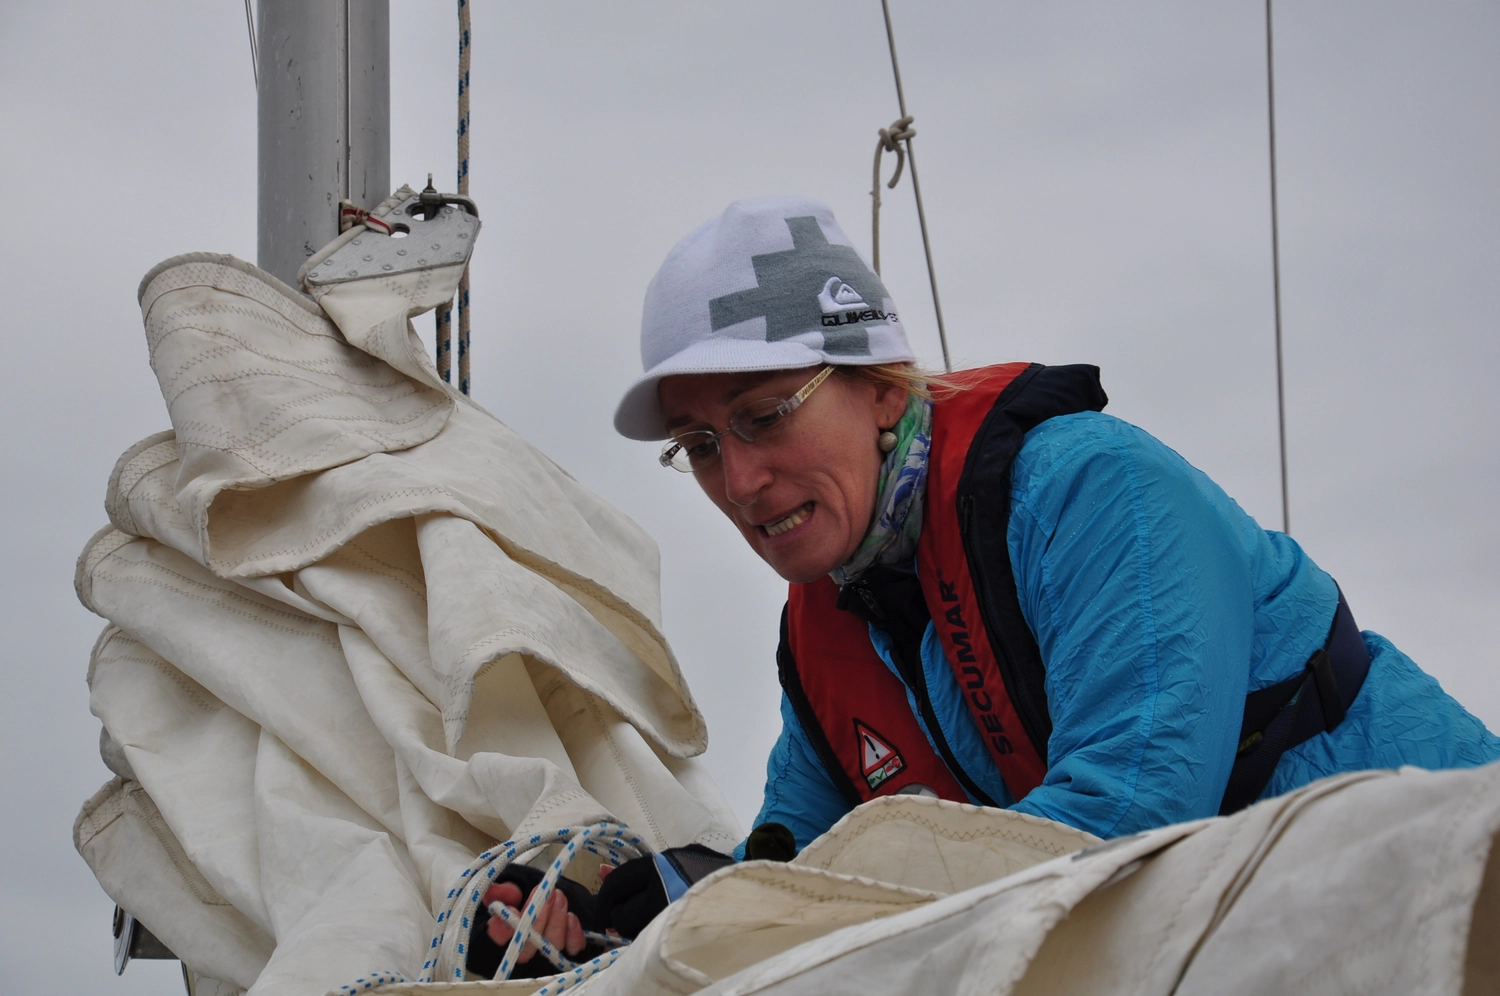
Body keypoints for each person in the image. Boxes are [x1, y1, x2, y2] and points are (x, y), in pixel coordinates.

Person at [475, 195, 1500, 968]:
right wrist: (627, 913)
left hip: (1438, 913)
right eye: (700, 445)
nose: (739, 481)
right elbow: (792, 873)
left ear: (878, 385)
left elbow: (1127, 822)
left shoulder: (1093, 492)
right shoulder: (831, 623)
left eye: (764, 415)